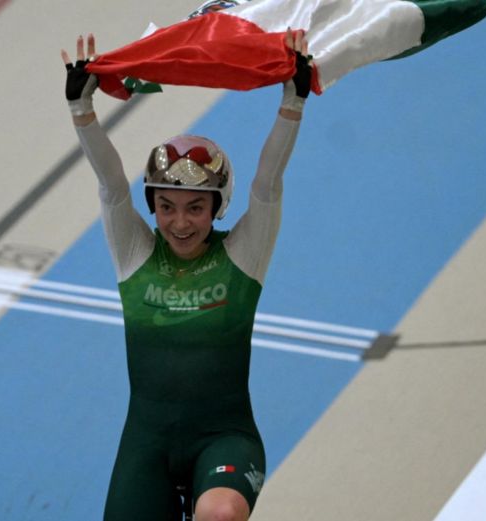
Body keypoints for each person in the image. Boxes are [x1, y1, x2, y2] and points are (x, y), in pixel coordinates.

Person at [61, 28, 311, 521]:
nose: (180, 223)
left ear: (218, 209)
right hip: (146, 447)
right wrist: (82, 113)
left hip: (225, 440)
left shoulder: (243, 256)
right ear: (152, 208)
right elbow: (112, 187)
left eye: (196, 207)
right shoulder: (134, 253)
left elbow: (268, 184)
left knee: (218, 516)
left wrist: (293, 100)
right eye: (168, 207)